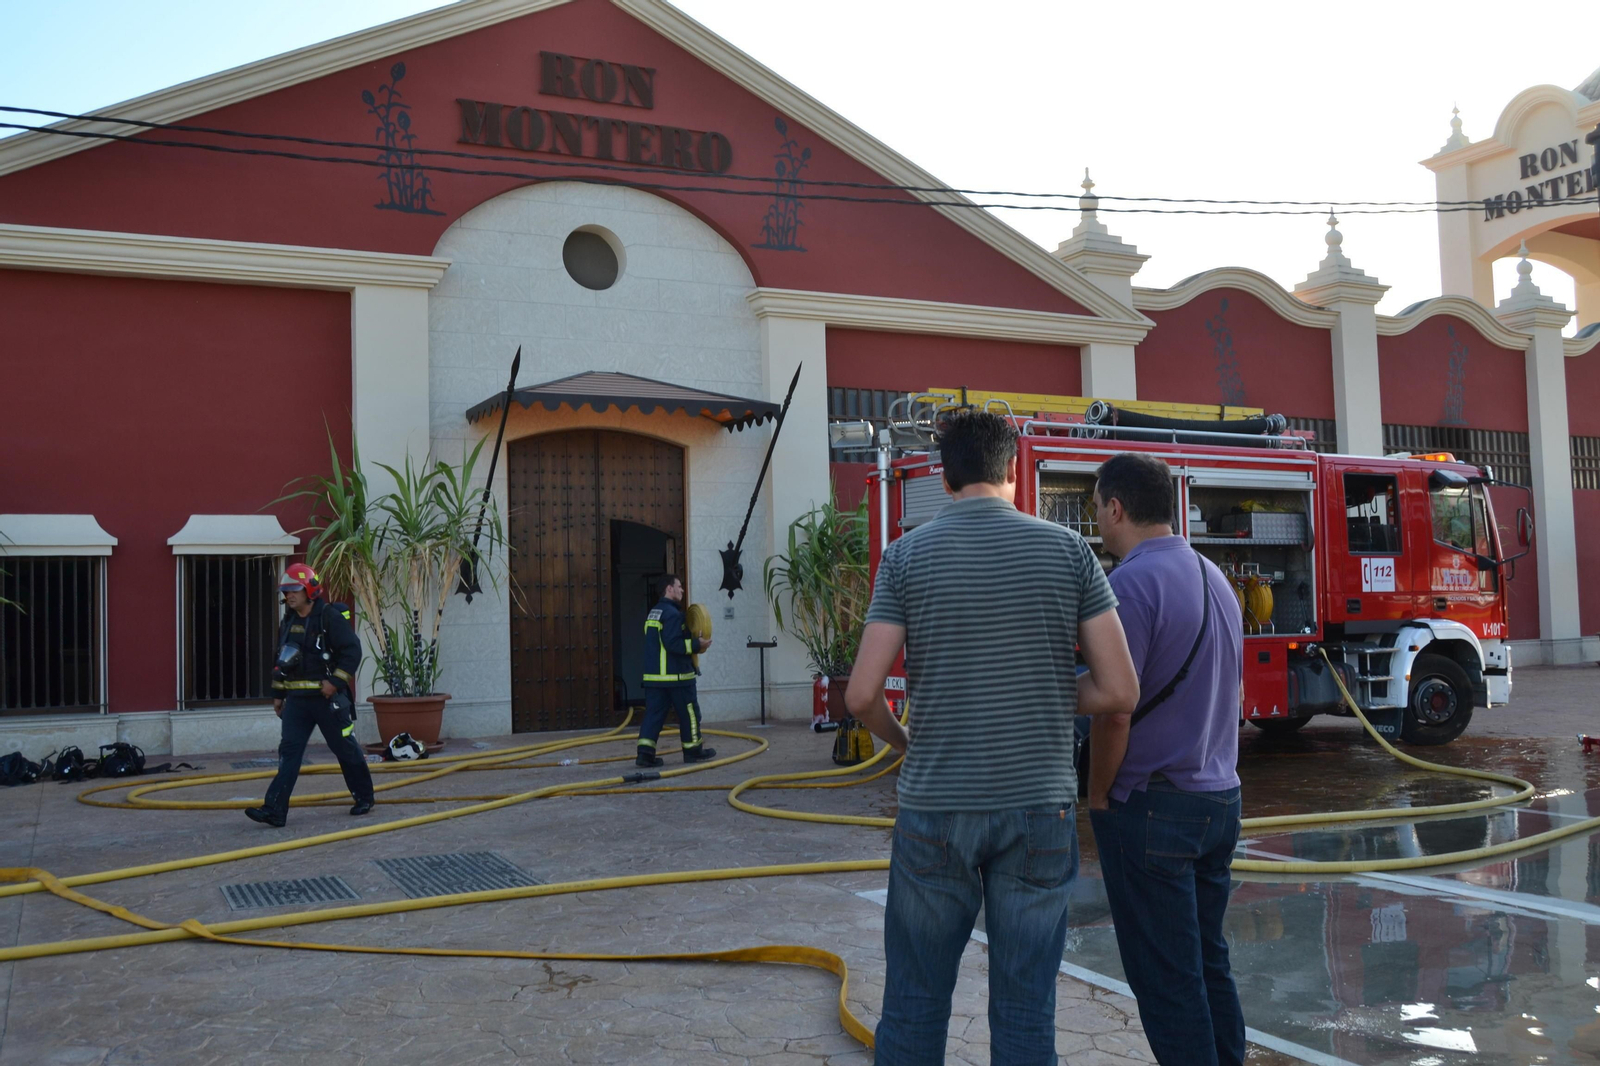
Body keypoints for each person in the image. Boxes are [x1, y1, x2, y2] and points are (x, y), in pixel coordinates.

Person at [846, 410, 1141, 1066]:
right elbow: (1121, 690)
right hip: (1039, 809)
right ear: (1013, 470)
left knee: (914, 1002)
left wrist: (905, 742)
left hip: (934, 808)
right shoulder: (1068, 551)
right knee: (1026, 1009)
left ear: (945, 479)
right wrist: (1042, 692)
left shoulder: (905, 556)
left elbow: (861, 695)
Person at [1087, 452, 1246, 1066]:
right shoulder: (1214, 576)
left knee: (1168, 981)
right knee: (1208, 961)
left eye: (1096, 506)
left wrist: (1098, 793)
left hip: (1154, 807)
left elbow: (1114, 708)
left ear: (1116, 508)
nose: (1096, 518)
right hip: (1220, 799)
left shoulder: (1129, 585)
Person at [246, 563, 376, 827]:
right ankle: (275, 810)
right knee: (289, 753)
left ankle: (364, 797)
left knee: (344, 748)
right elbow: (281, 660)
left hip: (327, 701)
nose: (289, 596)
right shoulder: (288, 621)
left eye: (294, 590)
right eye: (286, 591)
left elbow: (352, 651)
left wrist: (334, 682)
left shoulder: (329, 618)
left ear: (310, 590)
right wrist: (278, 694)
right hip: (297, 703)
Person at [636, 574, 715, 768]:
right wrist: (697, 644)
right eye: (679, 586)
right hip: (676, 677)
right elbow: (673, 643)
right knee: (690, 713)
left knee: (653, 715)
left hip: (655, 678)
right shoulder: (673, 614)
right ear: (669, 589)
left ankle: (645, 755)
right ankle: (693, 751)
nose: (682, 590)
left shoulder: (654, 613)